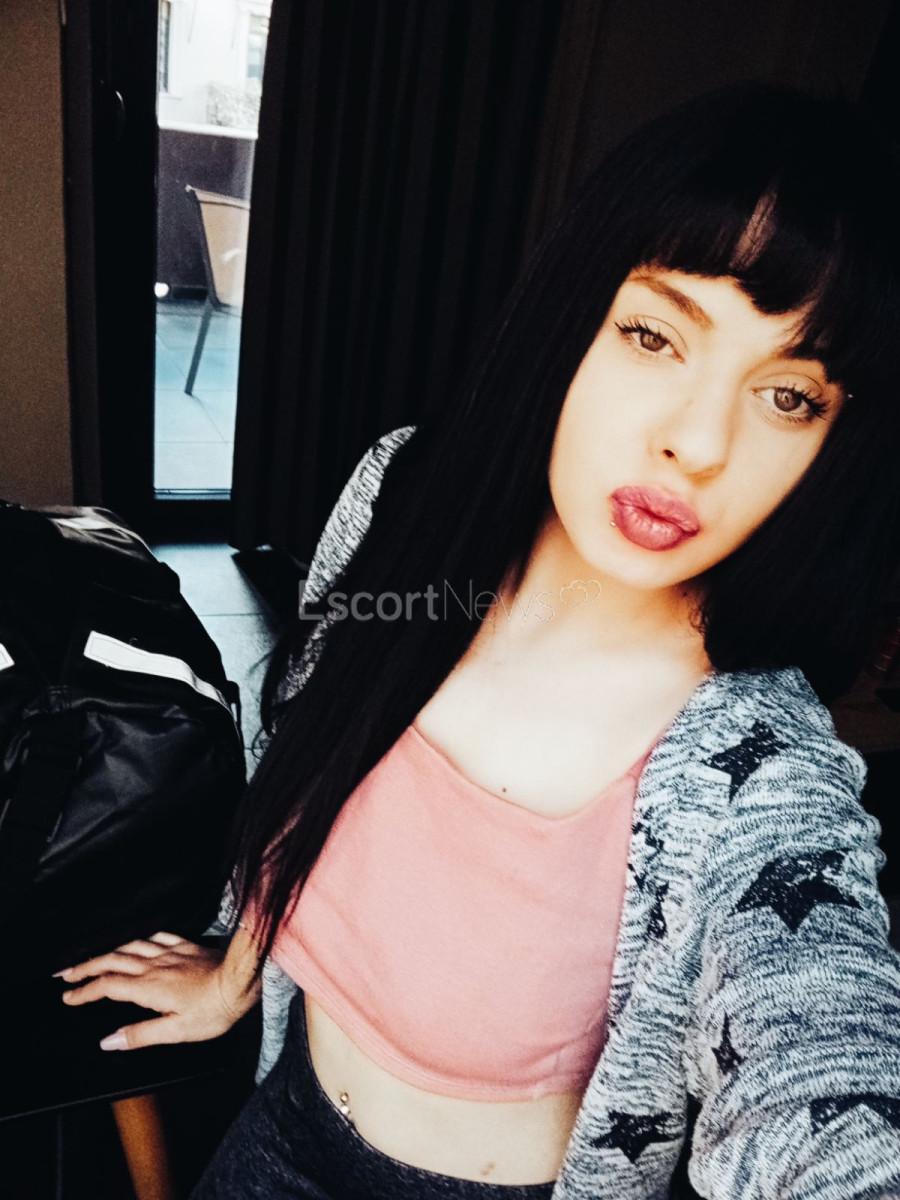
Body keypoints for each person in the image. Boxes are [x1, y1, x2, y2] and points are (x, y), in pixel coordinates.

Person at [53, 80, 900, 1200]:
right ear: (570, 314)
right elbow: (307, 753)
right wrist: (235, 970)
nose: (697, 443)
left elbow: (824, 1069)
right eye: (655, 335)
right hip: (282, 1128)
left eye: (789, 397)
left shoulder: (760, 769)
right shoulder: (402, 501)